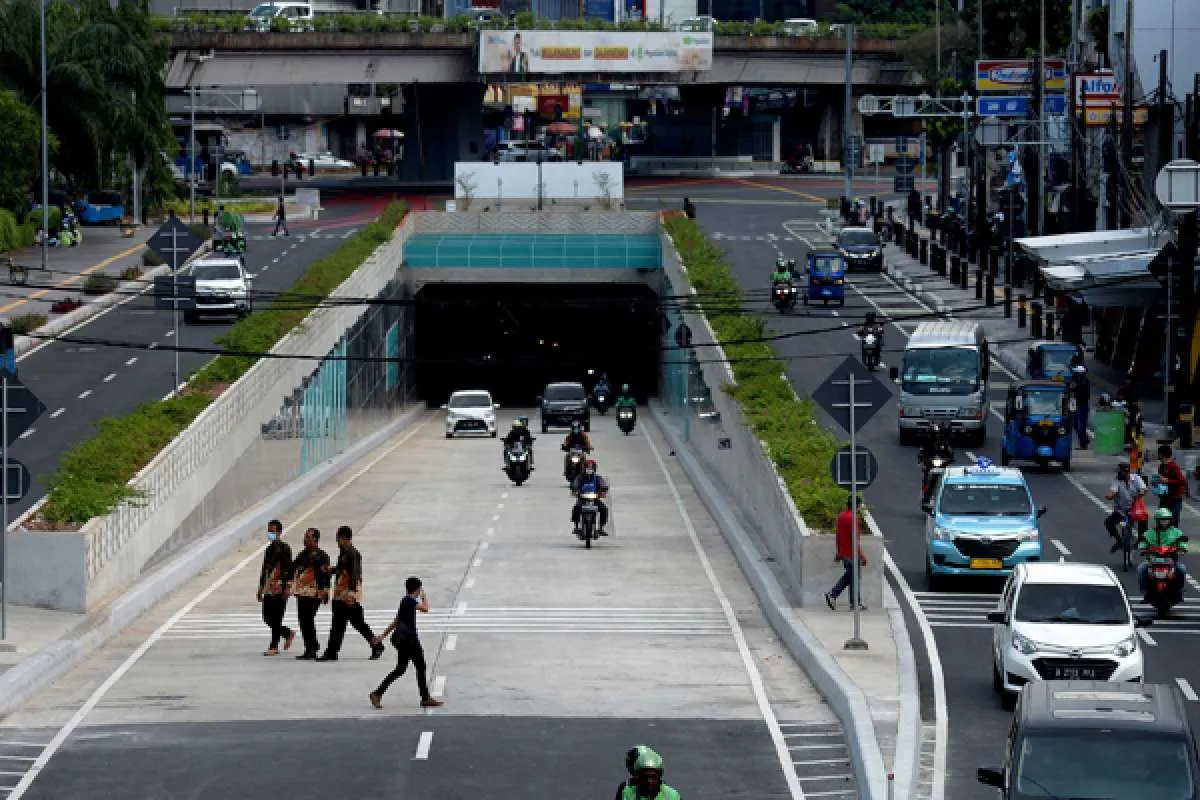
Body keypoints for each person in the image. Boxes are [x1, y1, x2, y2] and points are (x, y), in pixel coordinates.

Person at [369, 577, 445, 710]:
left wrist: (383, 635)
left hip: (402, 640)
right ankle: (425, 698)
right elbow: (425, 609)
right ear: (418, 589)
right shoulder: (410, 601)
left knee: (401, 669)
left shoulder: (404, 601)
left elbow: (396, 621)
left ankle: (377, 693)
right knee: (420, 666)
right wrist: (424, 598)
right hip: (410, 640)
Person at [317, 526, 385, 662]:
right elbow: (343, 570)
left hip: (346, 594)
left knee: (339, 623)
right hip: (342, 593)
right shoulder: (344, 553)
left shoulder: (352, 553)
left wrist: (352, 592)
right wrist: (331, 570)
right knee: (356, 623)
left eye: (338, 539)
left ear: (343, 538)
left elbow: (354, 573)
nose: (337, 541)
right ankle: (376, 645)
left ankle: (332, 652)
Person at [290, 527, 331, 660]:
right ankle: (310, 647)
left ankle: (312, 647)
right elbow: (293, 568)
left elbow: (326, 575)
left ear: (315, 539)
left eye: (308, 536)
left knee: (308, 619)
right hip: (302, 592)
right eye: (305, 536)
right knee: (303, 620)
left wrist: (325, 591)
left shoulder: (323, 556)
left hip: (315, 593)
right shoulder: (302, 554)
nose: (305, 539)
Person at [256, 519, 296, 656]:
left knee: (277, 618)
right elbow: (265, 569)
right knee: (267, 617)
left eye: (272, 531)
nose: (270, 534)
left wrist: (286, 586)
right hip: (269, 587)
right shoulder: (268, 549)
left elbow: (289, 569)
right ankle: (287, 633)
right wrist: (261, 587)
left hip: (280, 588)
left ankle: (274, 646)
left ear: (279, 532)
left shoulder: (285, 548)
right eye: (269, 531)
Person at [825, 496, 867, 612]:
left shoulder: (842, 516)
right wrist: (861, 555)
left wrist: (839, 552)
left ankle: (836, 596)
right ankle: (851, 602)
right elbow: (855, 539)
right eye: (859, 506)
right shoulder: (853, 518)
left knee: (850, 577)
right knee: (855, 578)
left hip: (844, 553)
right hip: (852, 554)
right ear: (856, 505)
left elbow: (838, 536)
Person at [1136, 507, 1189, 601]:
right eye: (1162, 520)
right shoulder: (1150, 533)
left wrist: (1182, 549)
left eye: (1166, 519)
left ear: (1170, 520)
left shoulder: (1176, 532)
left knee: (1181, 569)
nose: (1164, 522)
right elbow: (1143, 542)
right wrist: (1142, 548)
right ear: (1157, 520)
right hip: (1153, 560)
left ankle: (1179, 592)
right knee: (1141, 569)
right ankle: (1145, 592)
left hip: (1170, 560)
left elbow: (1182, 542)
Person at [1104, 459, 1148, 552]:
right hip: (1121, 510)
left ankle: (1141, 541)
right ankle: (1118, 540)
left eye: (1120, 472)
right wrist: (1109, 496)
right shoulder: (1116, 480)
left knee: (1143, 520)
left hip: (1135, 509)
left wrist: (1141, 492)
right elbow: (1113, 491)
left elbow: (1144, 489)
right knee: (1108, 522)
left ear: (1126, 472)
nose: (1119, 474)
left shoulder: (1136, 478)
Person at [570, 458, 610, 536]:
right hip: (582, 499)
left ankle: (601, 528)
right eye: (587, 467)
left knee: (604, 509)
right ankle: (576, 527)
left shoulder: (598, 478)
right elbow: (575, 484)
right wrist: (574, 490)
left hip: (595, 499)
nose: (589, 469)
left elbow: (603, 484)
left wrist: (603, 491)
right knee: (576, 508)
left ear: (594, 469)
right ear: (584, 468)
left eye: (591, 468)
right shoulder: (580, 477)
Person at [1157, 445, 1189, 526]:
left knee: (1173, 523)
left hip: (1174, 499)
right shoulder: (1161, 466)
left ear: (1161, 454)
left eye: (1159, 454)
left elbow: (1182, 481)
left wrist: (1168, 480)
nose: (1158, 456)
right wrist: (1156, 482)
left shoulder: (1174, 467)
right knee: (1161, 521)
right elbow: (1162, 481)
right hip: (1164, 498)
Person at [1069, 364, 1091, 448]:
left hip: (1082, 405)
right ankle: (1084, 440)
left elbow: (1086, 395)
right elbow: (1070, 388)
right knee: (1075, 424)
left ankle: (1083, 443)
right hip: (1074, 403)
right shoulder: (1074, 380)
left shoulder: (1084, 382)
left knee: (1081, 425)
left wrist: (1077, 388)